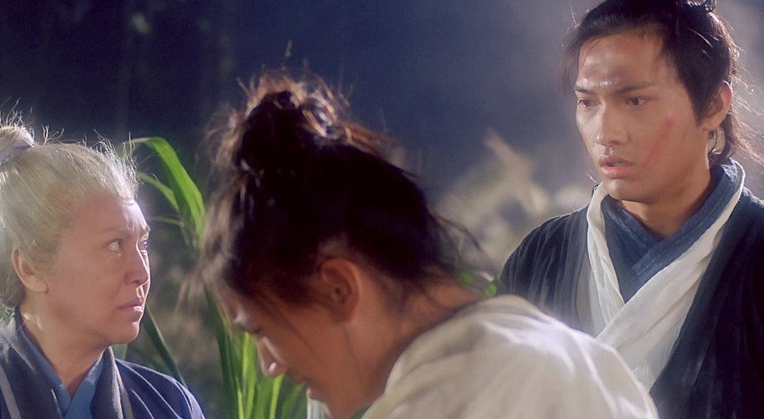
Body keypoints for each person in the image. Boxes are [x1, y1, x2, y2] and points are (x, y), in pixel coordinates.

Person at [202, 71, 658, 419]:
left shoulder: (446, 404)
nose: (269, 366)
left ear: (339, 288)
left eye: (261, 331)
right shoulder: (586, 361)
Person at [500, 0, 764, 418]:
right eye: (588, 102)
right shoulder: (540, 259)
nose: (606, 132)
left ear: (713, 105)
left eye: (634, 100)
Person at [0, 99, 205, 417]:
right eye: (115, 246)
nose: (141, 272)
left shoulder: (170, 405)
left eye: (143, 244)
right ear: (30, 268)